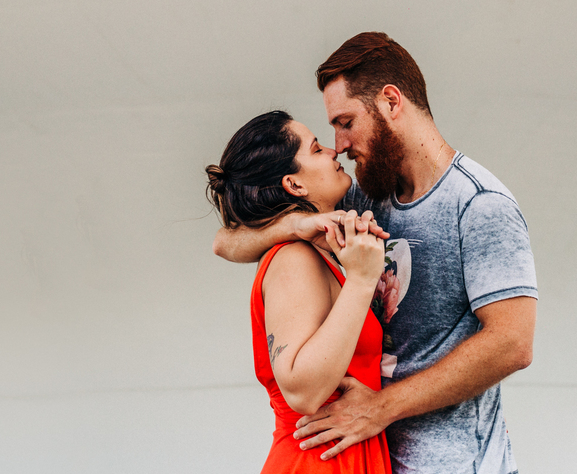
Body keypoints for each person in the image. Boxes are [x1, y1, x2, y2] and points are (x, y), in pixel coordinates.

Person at [214, 33, 538, 474]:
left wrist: (380, 409)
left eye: (345, 122)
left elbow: (512, 344)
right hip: (370, 457)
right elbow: (226, 241)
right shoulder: (365, 198)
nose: (339, 145)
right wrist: (294, 223)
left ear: (390, 102)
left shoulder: (479, 205)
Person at [206, 109, 394, 473]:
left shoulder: (319, 251)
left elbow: (223, 242)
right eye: (316, 149)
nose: (333, 151)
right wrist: (360, 280)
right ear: (294, 184)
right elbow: (303, 391)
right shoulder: (295, 259)